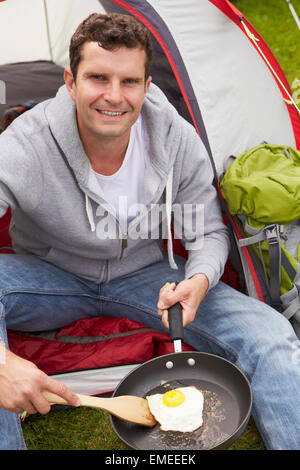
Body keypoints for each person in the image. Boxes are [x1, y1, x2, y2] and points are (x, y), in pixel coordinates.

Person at [0, 12, 299, 451]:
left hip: (149, 278)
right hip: (47, 275)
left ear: (147, 85)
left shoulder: (174, 136)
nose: (113, 96)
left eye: (129, 81)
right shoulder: (25, 143)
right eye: (98, 78)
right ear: (70, 81)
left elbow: (207, 234)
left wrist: (196, 281)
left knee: (272, 336)